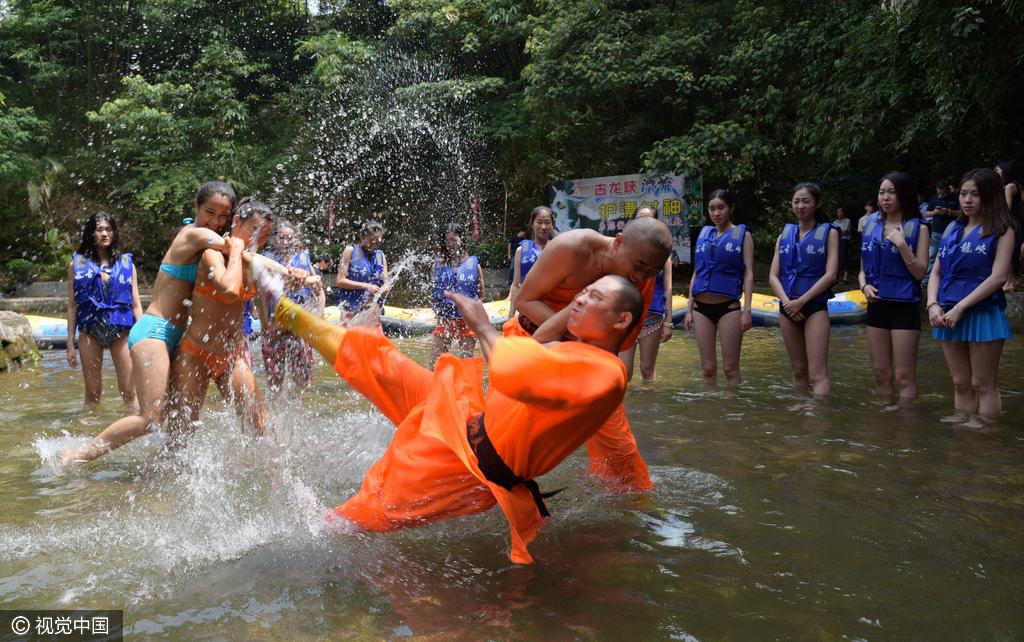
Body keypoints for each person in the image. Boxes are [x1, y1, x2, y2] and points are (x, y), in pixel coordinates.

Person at [254, 261, 644, 564]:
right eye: (584, 291)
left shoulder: (607, 374)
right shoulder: (578, 353)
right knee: (380, 362)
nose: (579, 298)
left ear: (621, 320)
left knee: (366, 514)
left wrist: (481, 327)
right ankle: (286, 311)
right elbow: (530, 352)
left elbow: (513, 375)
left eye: (594, 298)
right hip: (467, 415)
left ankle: (286, 544)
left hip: (464, 466)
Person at [61, 181, 236, 465]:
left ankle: (166, 470)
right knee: (150, 418)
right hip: (154, 329)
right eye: (210, 212)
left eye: (223, 216)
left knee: (179, 415)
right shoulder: (193, 234)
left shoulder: (207, 245)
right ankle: (78, 455)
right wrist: (241, 241)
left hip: (174, 337)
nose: (216, 220)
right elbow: (233, 245)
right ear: (196, 207)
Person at [504, 216, 672, 491]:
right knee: (506, 439)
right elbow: (524, 300)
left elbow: (618, 348)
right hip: (531, 337)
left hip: (588, 355)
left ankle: (633, 505)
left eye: (651, 272)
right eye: (639, 267)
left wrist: (608, 382)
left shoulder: (640, 280)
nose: (641, 278)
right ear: (618, 242)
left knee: (621, 451)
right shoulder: (572, 247)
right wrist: (578, 323)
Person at [168, 199, 278, 439]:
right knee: (181, 435)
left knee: (260, 428)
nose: (259, 239)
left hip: (231, 356)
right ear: (236, 221)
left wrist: (295, 276)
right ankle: (149, 476)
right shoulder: (211, 255)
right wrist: (237, 250)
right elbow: (229, 289)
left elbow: (274, 289)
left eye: (265, 235)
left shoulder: (252, 261)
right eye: (255, 230)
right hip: (195, 353)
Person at [927, 168, 1014, 420]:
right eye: (963, 194)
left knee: (982, 383)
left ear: (990, 196)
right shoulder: (953, 229)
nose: (967, 200)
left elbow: (998, 277)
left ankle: (985, 435)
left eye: (975, 194)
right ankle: (962, 434)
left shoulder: (1002, 230)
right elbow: (936, 273)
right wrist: (932, 304)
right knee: (961, 382)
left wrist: (960, 307)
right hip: (946, 312)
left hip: (982, 312)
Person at [859, 172, 930, 402]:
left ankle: (905, 430)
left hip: (904, 305)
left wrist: (902, 245)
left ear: (904, 195)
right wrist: (863, 287)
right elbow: (862, 269)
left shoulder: (919, 228)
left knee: (904, 376)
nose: (885, 197)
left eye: (892, 192)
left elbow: (920, 272)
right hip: (876, 303)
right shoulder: (871, 226)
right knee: (881, 374)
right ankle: (883, 425)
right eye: (882, 192)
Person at [769, 182, 839, 398]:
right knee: (799, 370)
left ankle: (818, 419)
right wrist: (788, 303)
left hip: (814, 307)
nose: (800, 206)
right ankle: (800, 415)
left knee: (817, 372)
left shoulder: (830, 234)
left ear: (817, 204)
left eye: (806, 201)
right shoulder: (784, 236)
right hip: (787, 307)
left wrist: (802, 301)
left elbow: (831, 275)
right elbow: (772, 276)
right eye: (796, 201)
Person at [66, 212, 143, 408]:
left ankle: (138, 430)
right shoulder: (76, 265)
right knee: (92, 393)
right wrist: (69, 345)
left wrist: (142, 338)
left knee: (129, 391)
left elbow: (135, 303)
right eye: (99, 229)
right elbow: (72, 305)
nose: (104, 233)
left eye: (108, 229)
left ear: (114, 233)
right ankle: (86, 434)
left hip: (121, 332)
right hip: (90, 332)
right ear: (91, 233)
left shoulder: (127, 264)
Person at [683, 191, 754, 385]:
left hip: (728, 307)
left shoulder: (743, 235)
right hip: (700, 308)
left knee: (730, 368)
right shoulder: (704, 234)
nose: (716, 213)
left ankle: (733, 412)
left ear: (731, 208)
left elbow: (748, 273)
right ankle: (709, 412)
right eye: (712, 208)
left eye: (721, 208)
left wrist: (747, 310)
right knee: (707, 369)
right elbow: (697, 273)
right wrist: (689, 309)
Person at [260, 221, 324, 391]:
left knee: (304, 382)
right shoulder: (267, 258)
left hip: (300, 326)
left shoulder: (303, 257)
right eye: (282, 238)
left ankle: (303, 415)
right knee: (275, 382)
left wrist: (319, 316)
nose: (286, 242)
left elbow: (319, 290)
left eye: (289, 238)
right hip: (275, 326)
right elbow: (261, 293)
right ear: (275, 239)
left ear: (295, 239)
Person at [618, 207, 674, 383]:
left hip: (652, 315)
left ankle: (650, 404)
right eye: (639, 219)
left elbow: (668, 288)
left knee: (647, 369)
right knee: (624, 371)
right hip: (627, 317)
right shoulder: (623, 252)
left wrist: (668, 322)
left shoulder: (663, 258)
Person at [430, 223, 486, 369]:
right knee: (434, 363)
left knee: (466, 362)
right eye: (447, 240)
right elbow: (433, 293)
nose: (451, 244)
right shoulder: (437, 265)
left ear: (462, 239)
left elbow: (481, 294)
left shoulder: (473, 265)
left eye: (454, 240)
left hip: (467, 320)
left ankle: (466, 390)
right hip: (445, 319)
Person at [335, 220, 388, 323]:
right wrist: (366, 286)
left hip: (372, 310)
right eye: (372, 240)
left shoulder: (380, 256)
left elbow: (386, 283)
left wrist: (382, 290)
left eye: (378, 240)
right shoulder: (350, 251)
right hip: (350, 309)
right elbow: (340, 281)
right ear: (362, 237)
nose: (375, 244)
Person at [508, 207, 555, 317]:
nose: (543, 227)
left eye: (547, 222)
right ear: (532, 224)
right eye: (539, 222)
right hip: (526, 313)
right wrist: (510, 316)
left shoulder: (558, 249)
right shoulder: (521, 251)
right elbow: (516, 286)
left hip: (551, 311)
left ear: (552, 225)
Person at [922, 180, 961, 287]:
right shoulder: (934, 199)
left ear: (947, 190)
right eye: (939, 193)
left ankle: (949, 279)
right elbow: (926, 214)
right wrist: (936, 212)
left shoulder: (955, 198)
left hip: (952, 233)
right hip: (936, 232)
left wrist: (949, 211)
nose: (941, 195)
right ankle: (926, 280)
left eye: (943, 193)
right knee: (932, 256)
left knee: (951, 255)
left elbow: (962, 213)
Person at [994, 161, 1023, 289]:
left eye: (998, 171)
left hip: (1010, 222)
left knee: (1008, 252)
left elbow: (1007, 207)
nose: (996, 173)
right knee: (1012, 251)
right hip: (1017, 222)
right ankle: (1013, 280)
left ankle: (1009, 282)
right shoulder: (1018, 186)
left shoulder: (1009, 187)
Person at [833, 206, 851, 282]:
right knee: (836, 257)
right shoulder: (835, 222)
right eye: (838, 212)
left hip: (844, 240)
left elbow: (846, 231)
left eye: (841, 211)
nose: (839, 213)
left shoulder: (847, 221)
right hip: (836, 241)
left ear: (843, 212)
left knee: (844, 257)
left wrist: (837, 231)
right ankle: (836, 277)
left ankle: (845, 277)